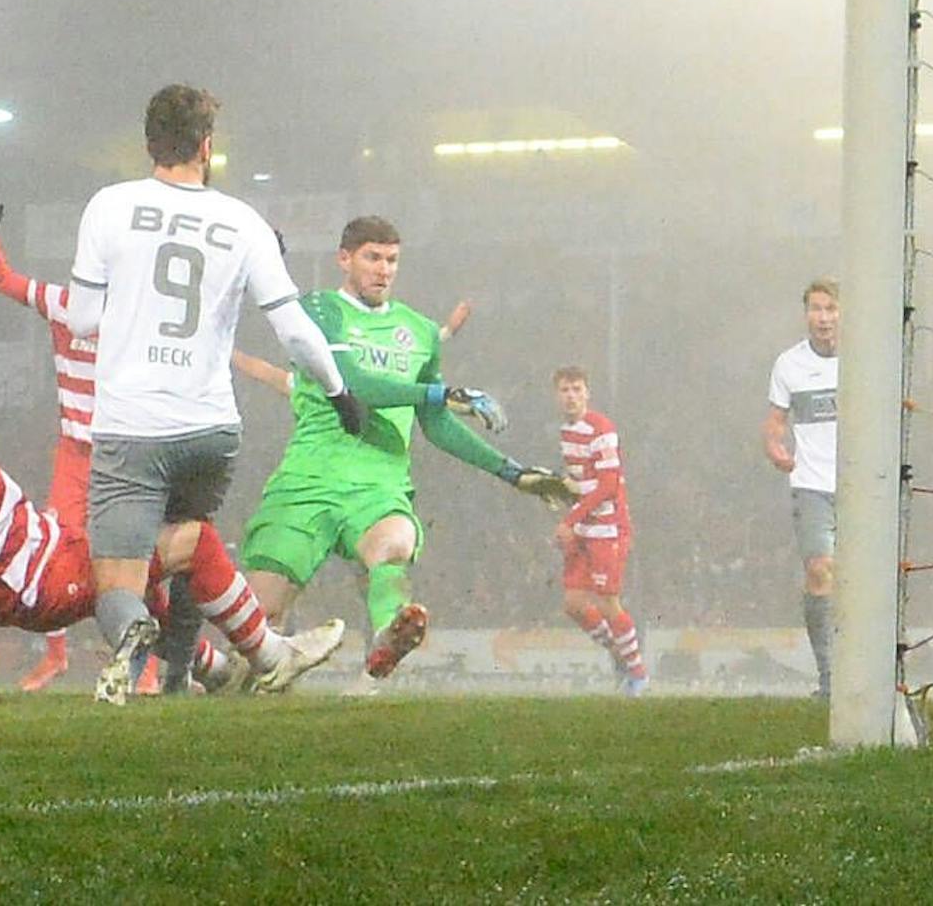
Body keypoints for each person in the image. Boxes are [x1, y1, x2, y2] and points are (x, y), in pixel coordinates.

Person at [63, 83, 368, 702]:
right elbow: (293, 331)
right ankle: (238, 661)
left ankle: (134, 636)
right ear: (207, 146)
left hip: (131, 425)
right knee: (189, 544)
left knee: (118, 579)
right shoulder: (242, 222)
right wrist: (340, 394)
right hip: (209, 428)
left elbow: (81, 321)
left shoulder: (109, 206)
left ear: (148, 143)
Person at [0, 359, 343, 700]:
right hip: (40, 584)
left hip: (52, 541)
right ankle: (271, 657)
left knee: (145, 581)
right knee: (192, 540)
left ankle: (217, 671)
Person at [238, 214, 577, 680]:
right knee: (259, 620)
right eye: (372, 258)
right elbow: (353, 383)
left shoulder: (418, 331)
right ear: (344, 259)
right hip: (307, 480)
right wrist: (441, 393)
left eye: (392, 260)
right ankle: (243, 677)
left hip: (379, 485)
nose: (383, 269)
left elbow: (435, 424)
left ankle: (387, 637)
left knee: (393, 544)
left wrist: (512, 473)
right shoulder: (319, 310)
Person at [0, 191, 93, 691]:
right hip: (76, 451)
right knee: (55, 549)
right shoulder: (61, 302)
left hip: (129, 450)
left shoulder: (138, 314)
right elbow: (0, 278)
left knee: (139, 550)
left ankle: (151, 666)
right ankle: (58, 655)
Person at [765, 280, 839, 700]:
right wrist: (774, 446)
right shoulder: (789, 364)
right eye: (816, 308)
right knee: (819, 570)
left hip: (863, 483)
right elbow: (775, 421)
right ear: (806, 313)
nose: (823, 317)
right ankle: (828, 677)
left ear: (843, 313)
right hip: (812, 484)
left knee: (859, 580)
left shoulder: (864, 358)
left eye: (830, 308)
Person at [553, 365, 647, 694]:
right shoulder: (566, 432)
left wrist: (569, 520)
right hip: (584, 526)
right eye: (565, 390)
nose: (571, 396)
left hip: (608, 526)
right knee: (574, 603)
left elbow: (608, 485)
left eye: (577, 389)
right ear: (556, 395)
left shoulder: (602, 429)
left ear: (587, 393)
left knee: (608, 602)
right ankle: (620, 654)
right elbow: (581, 483)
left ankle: (637, 674)